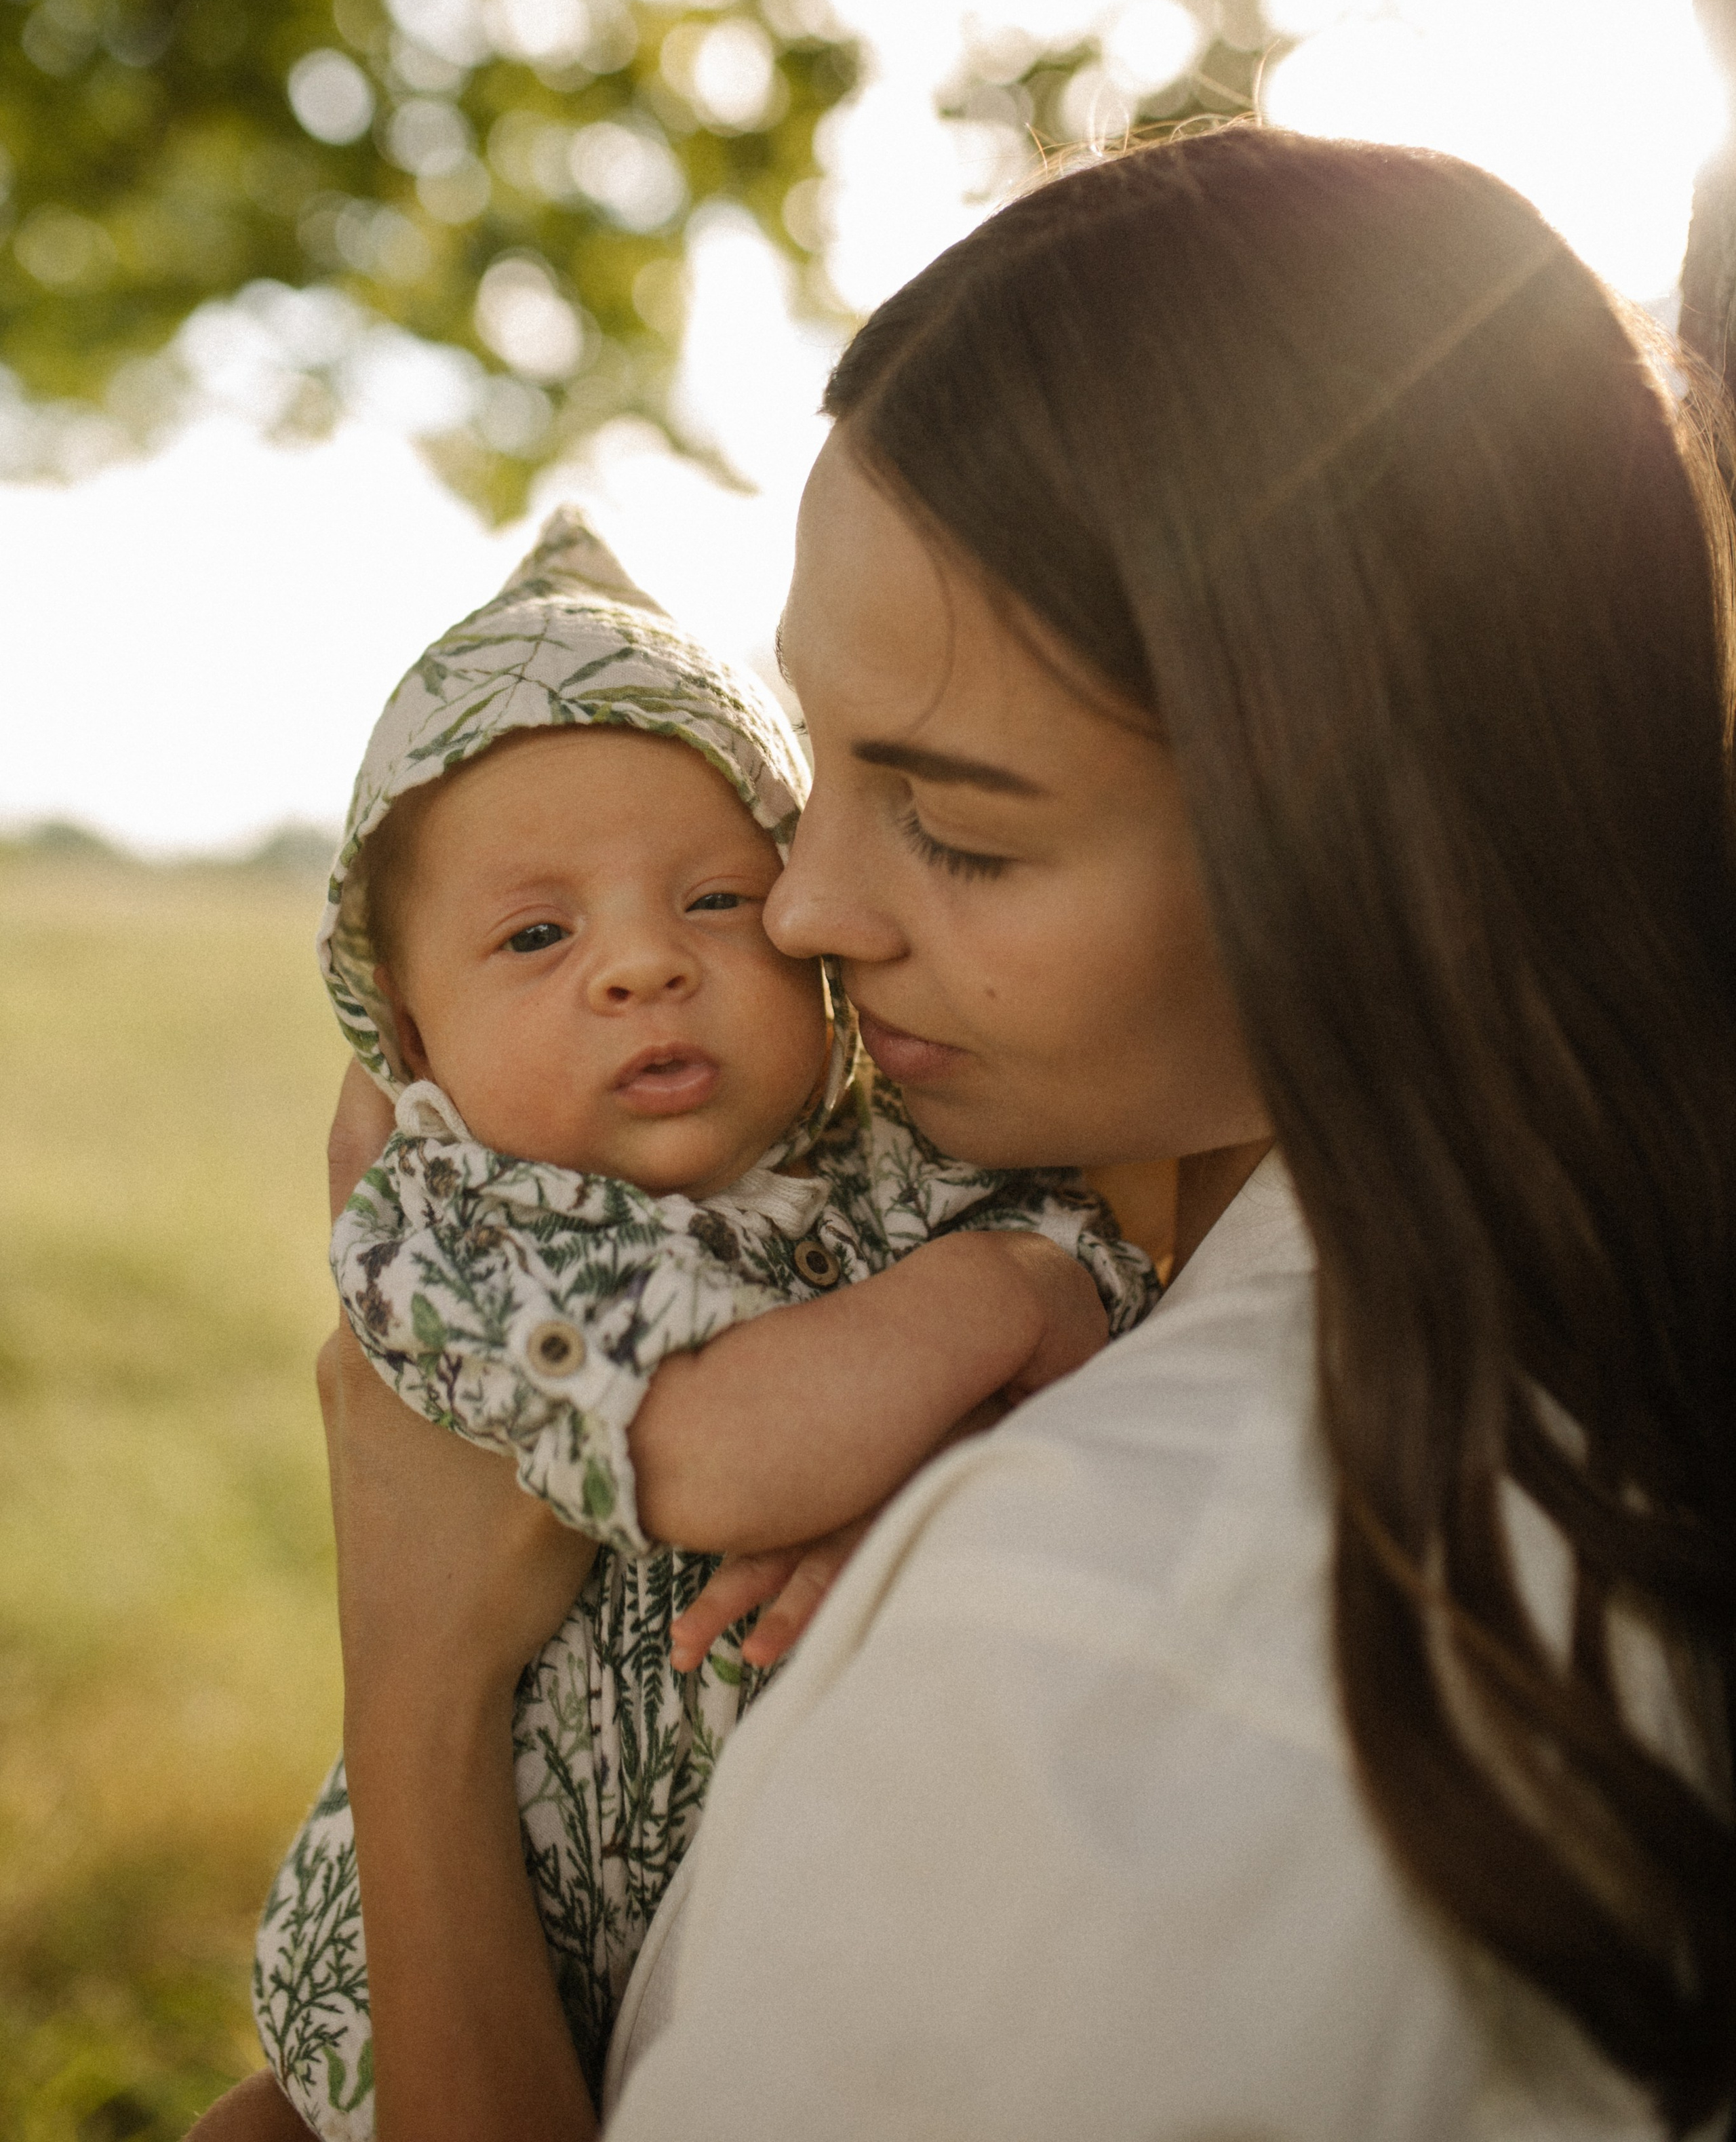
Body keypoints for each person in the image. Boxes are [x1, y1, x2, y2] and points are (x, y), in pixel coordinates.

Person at [197, 126, 1735, 2142]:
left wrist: (412, 1686)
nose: (815, 910)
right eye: (815, 764)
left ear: (1367, 856)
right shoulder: (1558, 1321)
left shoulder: (1080, 1653)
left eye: (961, 826)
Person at [243, 508, 1155, 2137]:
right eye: (538, 935)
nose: (642, 967)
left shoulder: (907, 1156)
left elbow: (1114, 1296)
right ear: (407, 1026)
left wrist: (1002, 1312)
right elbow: (723, 1454)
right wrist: (1000, 1294)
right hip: (476, 1954)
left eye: (717, 901)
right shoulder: (455, 1225)